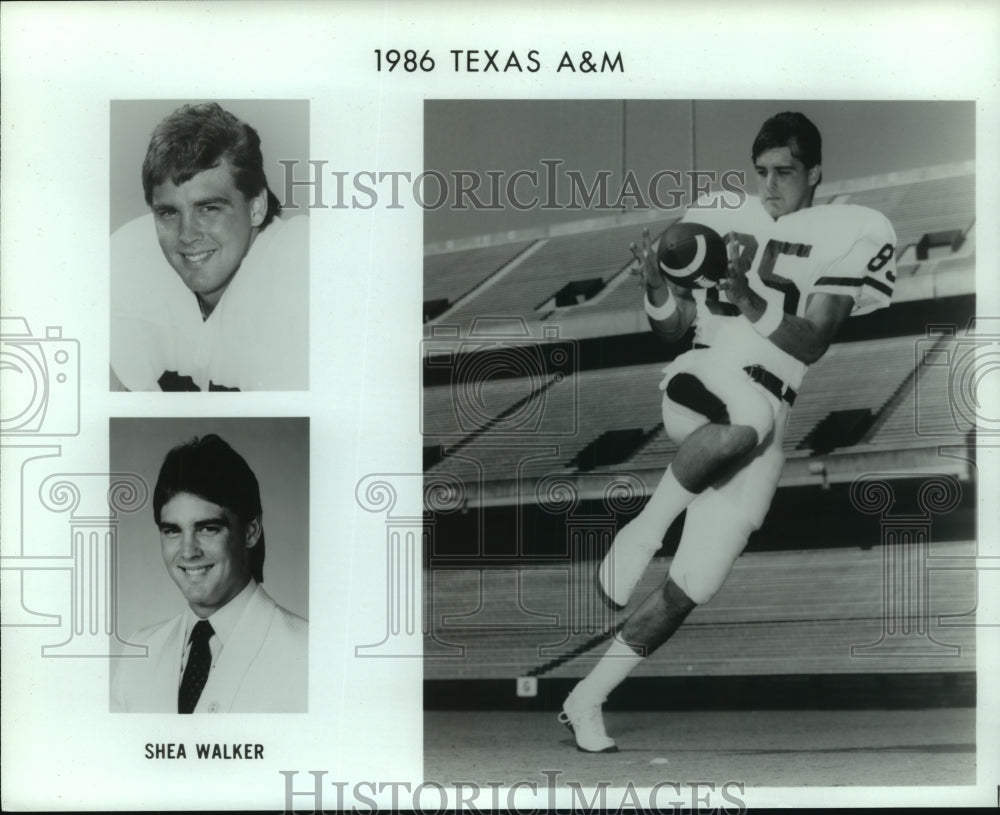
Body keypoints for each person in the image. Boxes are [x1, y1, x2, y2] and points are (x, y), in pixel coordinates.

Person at [559, 112, 897, 751]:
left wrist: (748, 296)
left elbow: (814, 341)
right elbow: (669, 327)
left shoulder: (854, 229)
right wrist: (658, 290)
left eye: (785, 173)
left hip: (772, 409)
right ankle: (641, 531)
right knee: (750, 418)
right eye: (762, 172)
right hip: (702, 379)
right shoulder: (716, 211)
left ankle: (586, 699)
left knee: (695, 584)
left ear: (815, 173)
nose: (770, 186)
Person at [110, 102, 308, 392]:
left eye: (209, 208)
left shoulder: (300, 266)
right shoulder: (133, 258)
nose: (187, 234)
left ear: (256, 207)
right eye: (169, 212)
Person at [111, 434, 307, 713]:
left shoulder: (310, 654)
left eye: (207, 528)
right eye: (172, 531)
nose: (188, 551)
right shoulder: (139, 651)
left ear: (250, 532)